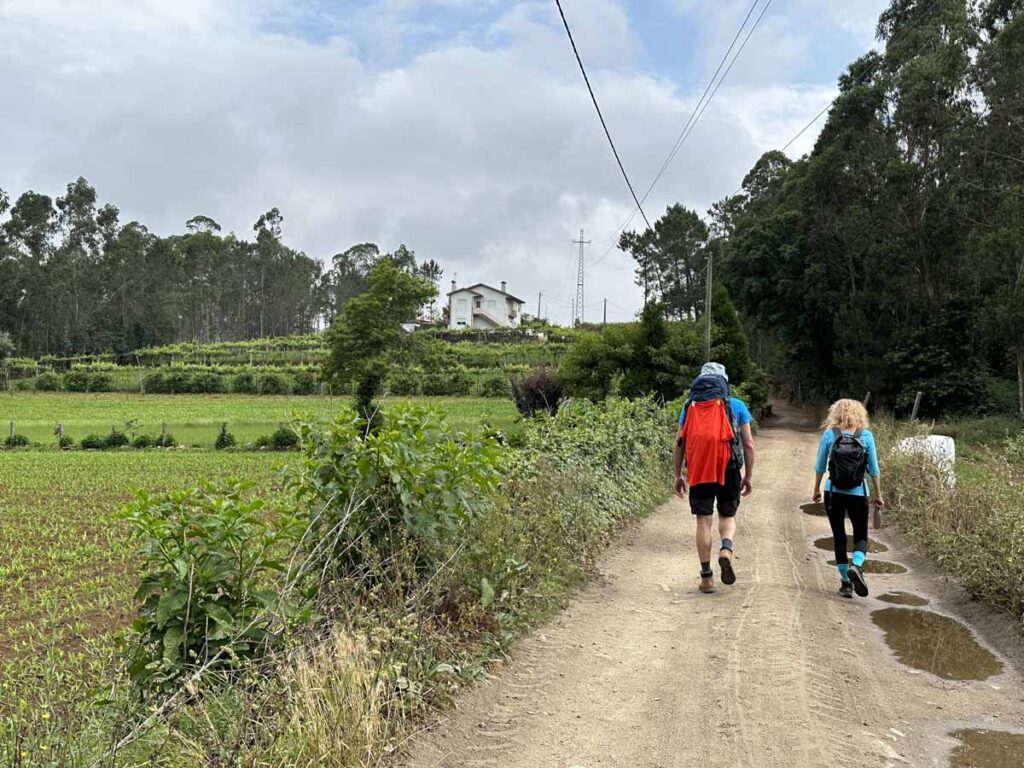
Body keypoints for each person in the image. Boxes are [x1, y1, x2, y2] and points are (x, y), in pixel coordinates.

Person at [674, 362, 756, 594]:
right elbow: (748, 444)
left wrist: (678, 474)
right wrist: (748, 475)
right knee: (727, 515)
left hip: (699, 467)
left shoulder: (689, 406)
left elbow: (679, 443)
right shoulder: (736, 405)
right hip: (729, 466)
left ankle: (707, 577)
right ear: (725, 382)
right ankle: (726, 550)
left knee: (703, 521)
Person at [812, 399, 885, 598]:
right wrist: (877, 495)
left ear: (834, 414)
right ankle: (858, 566)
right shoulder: (866, 436)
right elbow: (874, 469)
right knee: (861, 535)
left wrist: (817, 489)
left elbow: (820, 466)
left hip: (833, 491)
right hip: (859, 492)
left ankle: (845, 583)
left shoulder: (830, 435)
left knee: (839, 537)